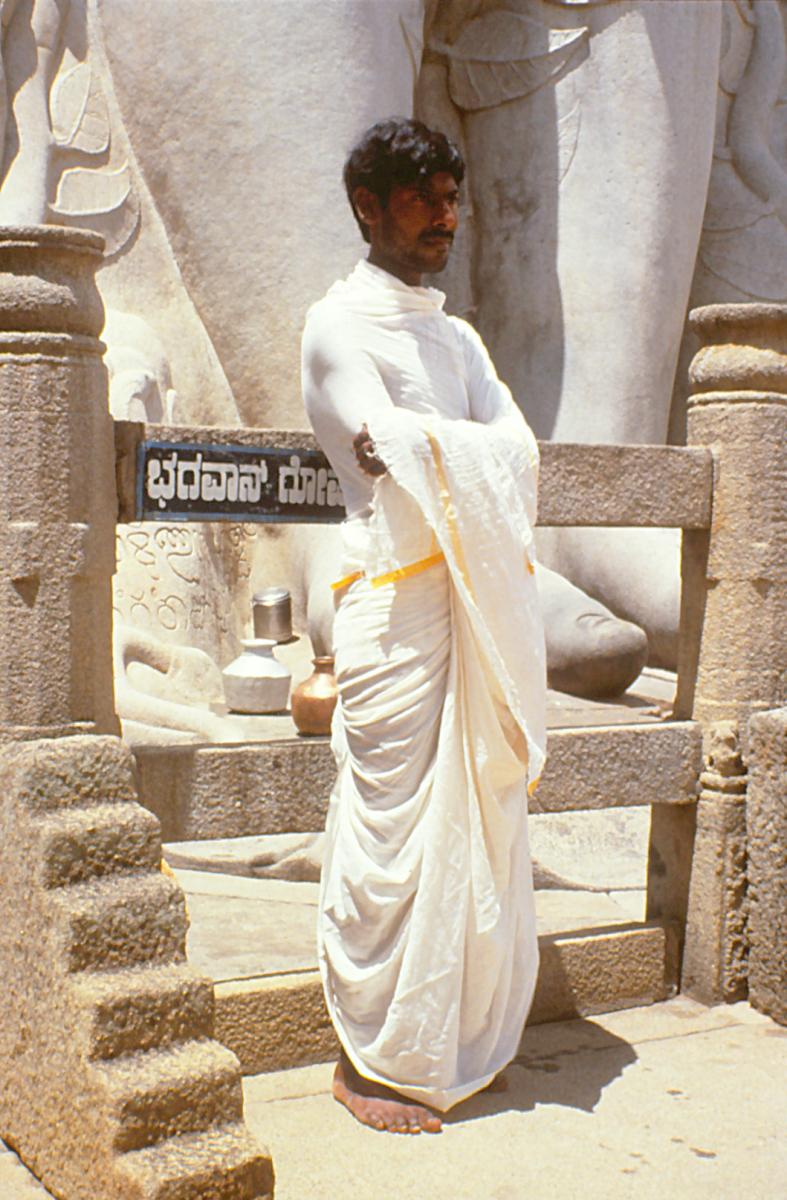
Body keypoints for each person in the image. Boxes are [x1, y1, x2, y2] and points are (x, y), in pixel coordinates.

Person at [301, 118, 546, 1135]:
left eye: (452, 197)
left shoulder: (459, 339)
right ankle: (369, 1058)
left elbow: (519, 451)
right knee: (389, 831)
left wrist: (419, 439)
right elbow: (373, 452)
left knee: (476, 825)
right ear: (368, 208)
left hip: (470, 605)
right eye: (423, 200)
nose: (447, 216)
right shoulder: (336, 325)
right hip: (392, 606)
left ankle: (443, 1039)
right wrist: (433, 444)